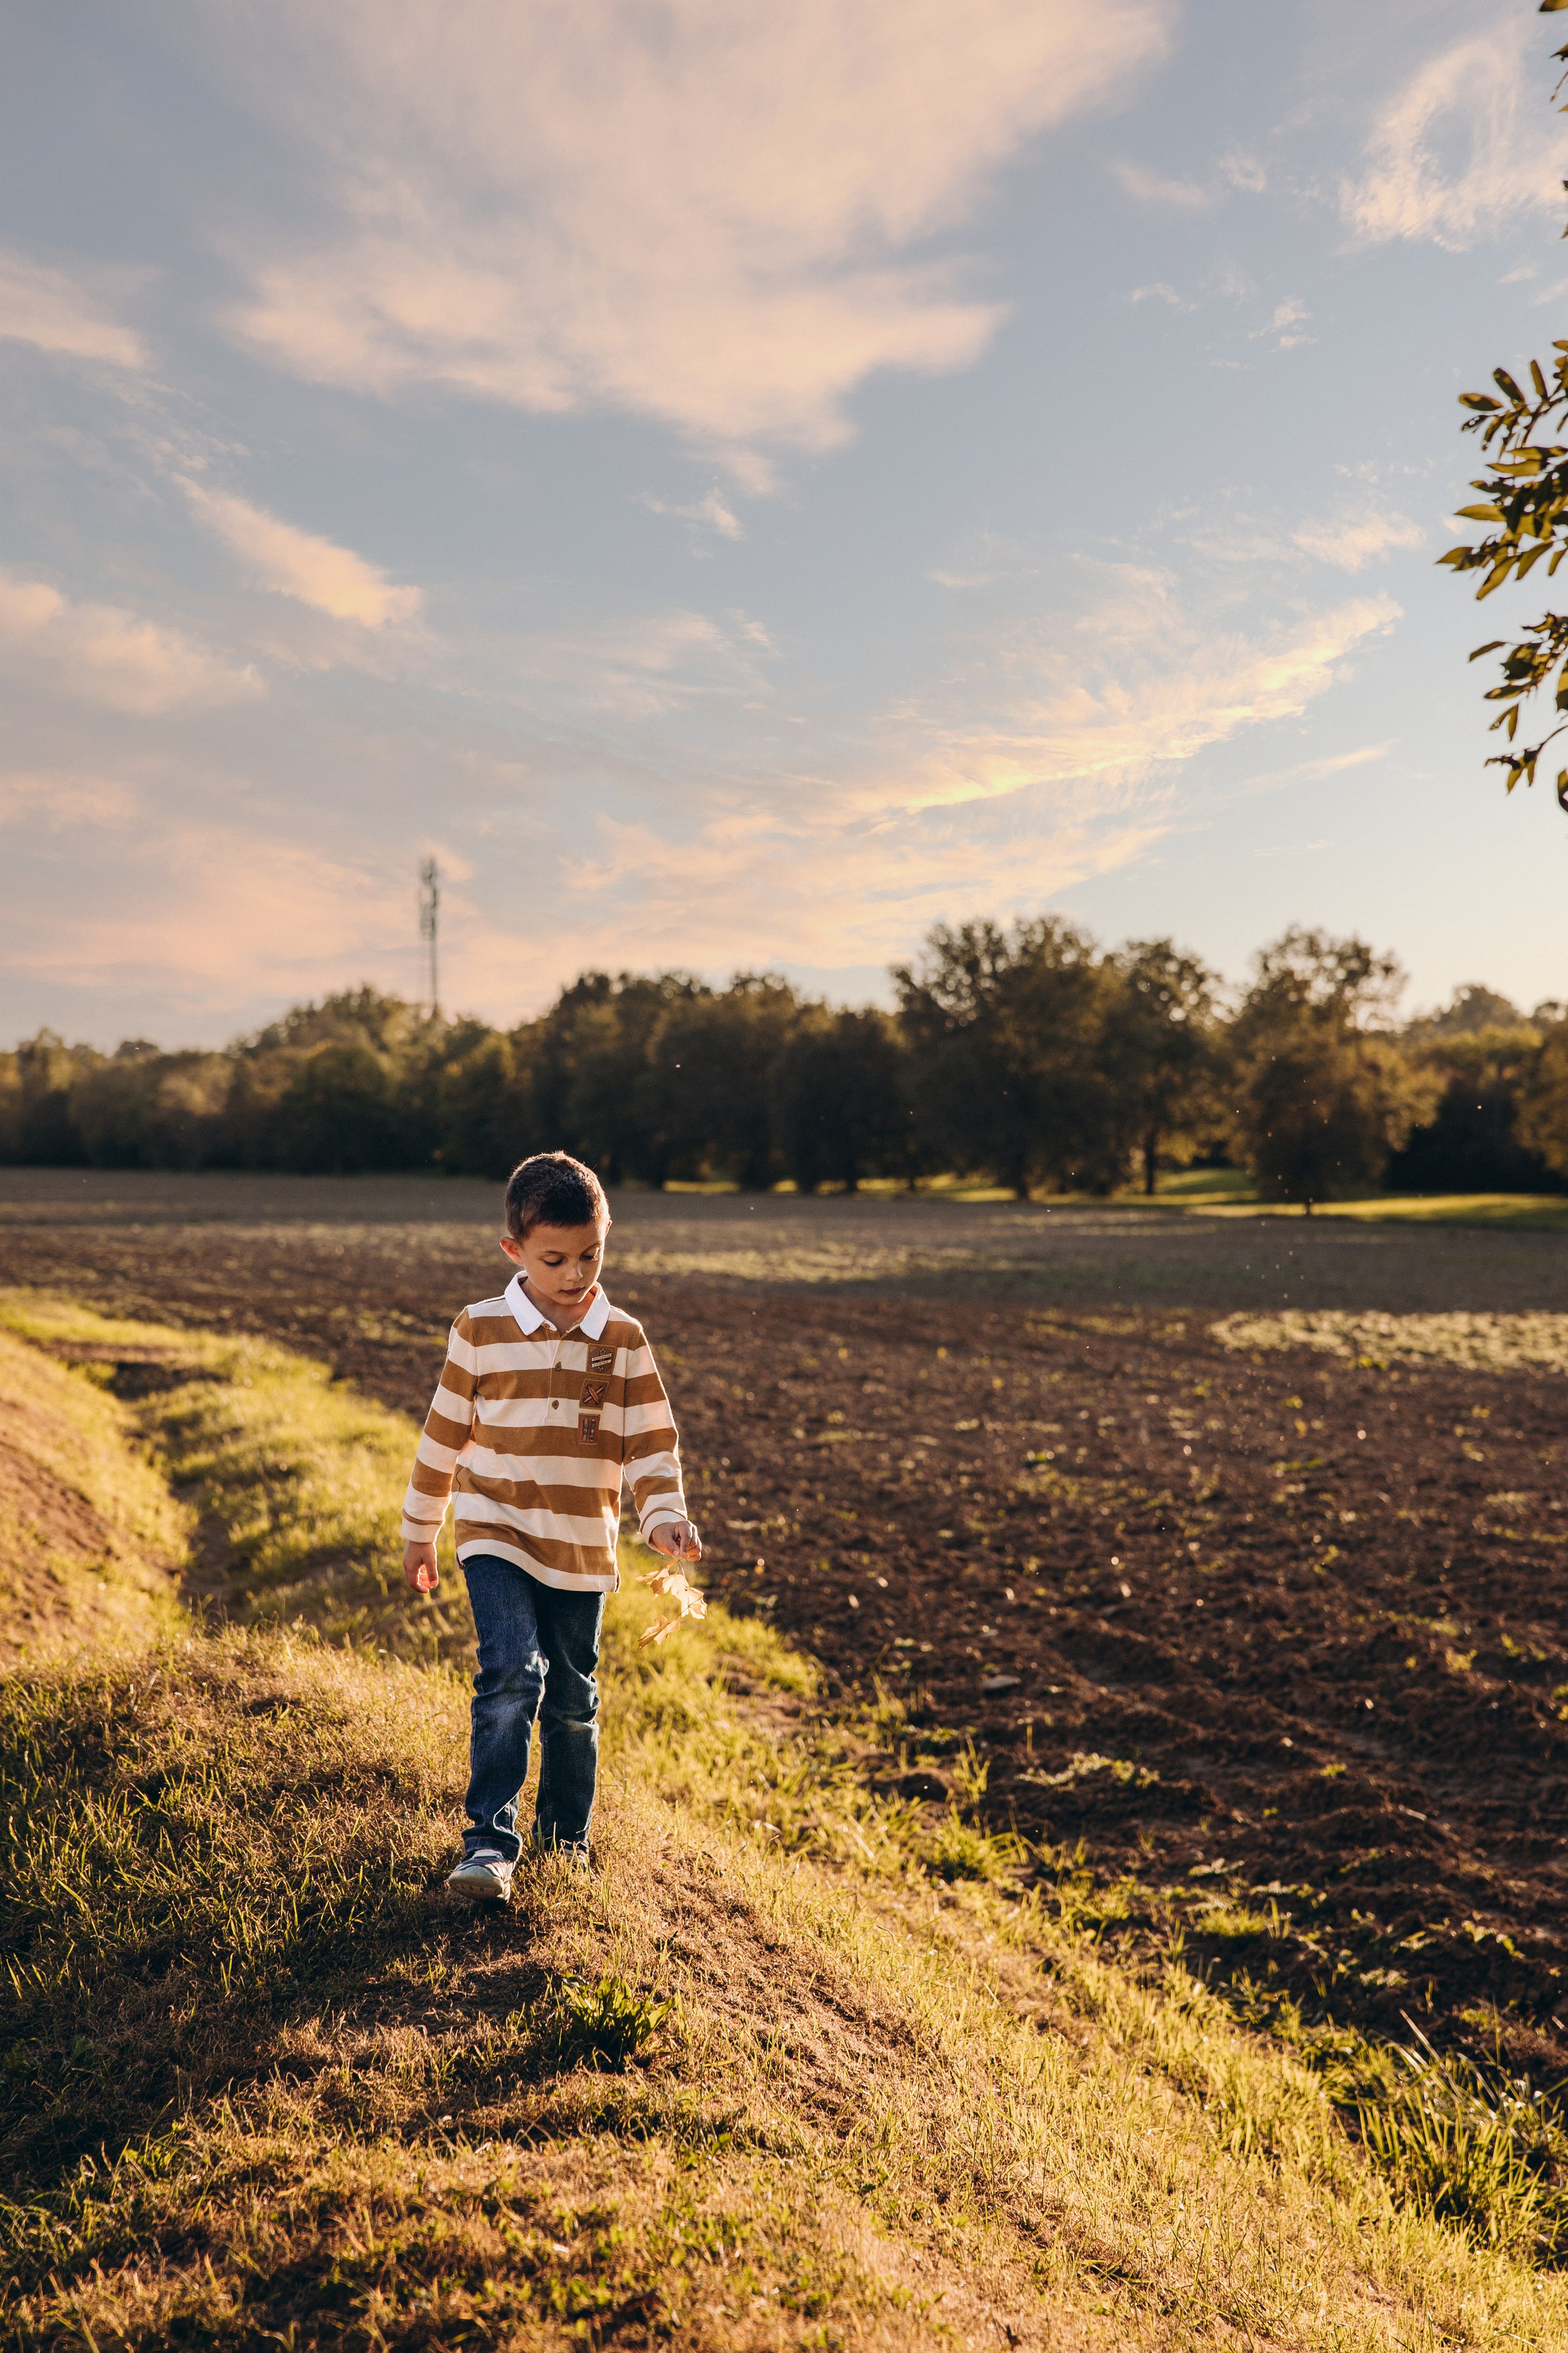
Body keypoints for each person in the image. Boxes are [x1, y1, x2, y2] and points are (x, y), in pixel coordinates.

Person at [401, 1150, 701, 1900]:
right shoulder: (480, 1328)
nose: (576, 1273)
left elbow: (651, 1445)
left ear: (607, 1237)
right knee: (510, 1674)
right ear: (515, 1251)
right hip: (494, 1528)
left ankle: (565, 1843)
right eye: (555, 1258)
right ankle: (488, 1846)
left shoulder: (623, 1339)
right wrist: (420, 1528)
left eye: (591, 1253)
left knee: (573, 1696)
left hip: (582, 1544)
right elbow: (442, 1437)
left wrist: (665, 1518)